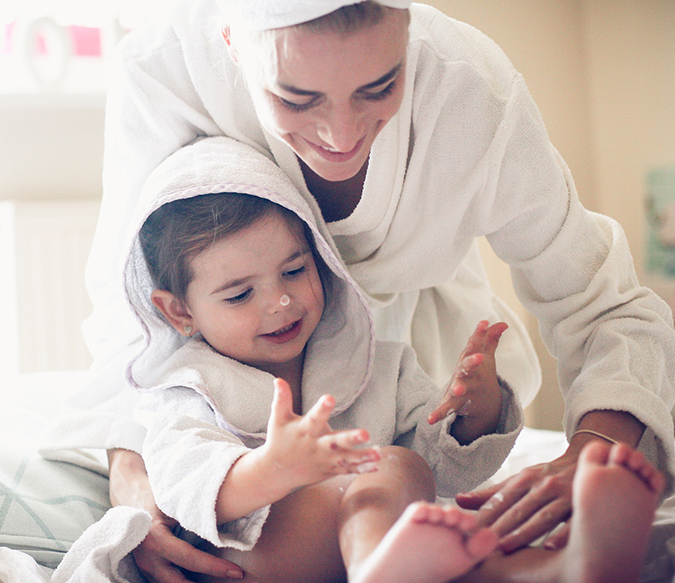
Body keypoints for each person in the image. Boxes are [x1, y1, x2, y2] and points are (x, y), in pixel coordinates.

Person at [56, 0, 675, 581]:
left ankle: (544, 570)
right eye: (297, 100)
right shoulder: (165, 74)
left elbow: (601, 301)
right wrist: (139, 491)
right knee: (389, 485)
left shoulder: (474, 98)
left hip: (384, 354)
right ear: (231, 42)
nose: (341, 135)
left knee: (404, 475)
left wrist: (589, 446)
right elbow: (130, 325)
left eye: (380, 88)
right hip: (254, 539)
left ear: (407, 37)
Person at [125, 138, 519, 583]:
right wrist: (272, 470)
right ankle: (378, 566)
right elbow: (184, 485)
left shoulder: (378, 367)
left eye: (294, 270)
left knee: (481, 543)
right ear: (180, 312)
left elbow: (446, 470)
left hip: (344, 551)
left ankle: (570, 561)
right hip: (247, 560)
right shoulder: (189, 387)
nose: (281, 301)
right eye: (240, 294)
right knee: (391, 466)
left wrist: (475, 410)